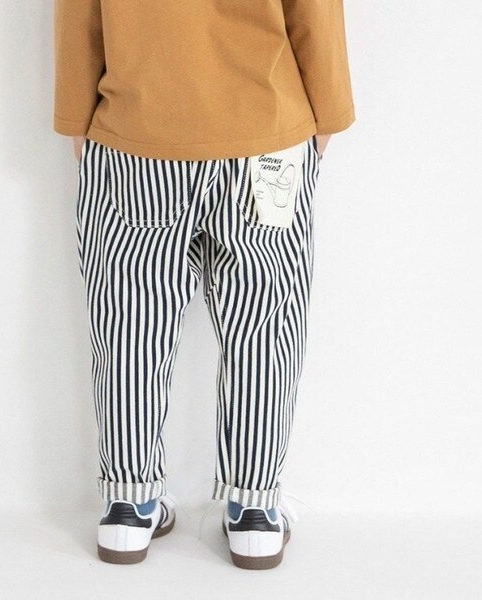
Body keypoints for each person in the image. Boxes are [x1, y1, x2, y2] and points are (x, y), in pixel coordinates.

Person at [54, 0, 355, 570]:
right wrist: (330, 111)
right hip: (266, 133)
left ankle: (129, 504)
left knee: (129, 325)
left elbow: (79, 11)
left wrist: (75, 114)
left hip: (135, 138)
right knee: (265, 328)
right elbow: (315, 9)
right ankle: (254, 511)